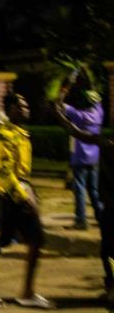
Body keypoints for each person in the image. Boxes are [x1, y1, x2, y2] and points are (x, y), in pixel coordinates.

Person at [0, 93, 53, 309]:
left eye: (26, 104)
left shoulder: (20, 133)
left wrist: (28, 191)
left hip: (18, 189)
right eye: (21, 105)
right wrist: (23, 196)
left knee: (34, 240)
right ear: (9, 109)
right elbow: (3, 171)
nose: (26, 108)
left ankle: (26, 292)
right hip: (4, 193)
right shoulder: (2, 135)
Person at [54, 91, 114, 305]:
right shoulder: (99, 117)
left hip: (110, 208)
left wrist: (58, 109)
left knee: (108, 249)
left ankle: (111, 288)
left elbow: (72, 129)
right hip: (96, 169)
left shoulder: (105, 144)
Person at [59, 74, 104, 231]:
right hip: (95, 158)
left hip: (80, 158)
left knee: (80, 189)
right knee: (94, 190)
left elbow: (59, 105)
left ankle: (81, 221)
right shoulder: (99, 113)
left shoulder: (78, 115)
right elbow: (97, 99)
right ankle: (101, 217)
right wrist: (89, 82)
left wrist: (66, 86)